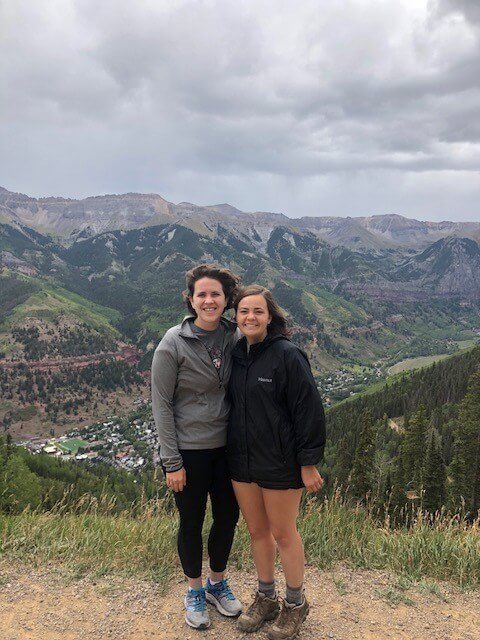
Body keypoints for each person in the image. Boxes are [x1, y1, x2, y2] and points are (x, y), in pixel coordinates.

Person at [227, 285, 326, 640]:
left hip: (281, 463)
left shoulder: (287, 355)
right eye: (243, 312)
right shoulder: (237, 353)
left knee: (284, 533)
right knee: (257, 531)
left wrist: (308, 462)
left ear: (270, 317)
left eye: (257, 311)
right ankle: (266, 597)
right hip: (242, 461)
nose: (250, 317)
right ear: (235, 318)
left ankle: (296, 604)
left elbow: (308, 410)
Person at [151, 264, 243, 630]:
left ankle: (216, 583)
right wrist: (172, 462)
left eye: (215, 294)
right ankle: (193, 590)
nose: (208, 300)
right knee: (191, 521)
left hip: (229, 450)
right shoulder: (173, 342)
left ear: (226, 300)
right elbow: (161, 404)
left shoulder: (234, 336)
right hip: (188, 451)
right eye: (201, 294)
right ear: (191, 299)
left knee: (227, 518)